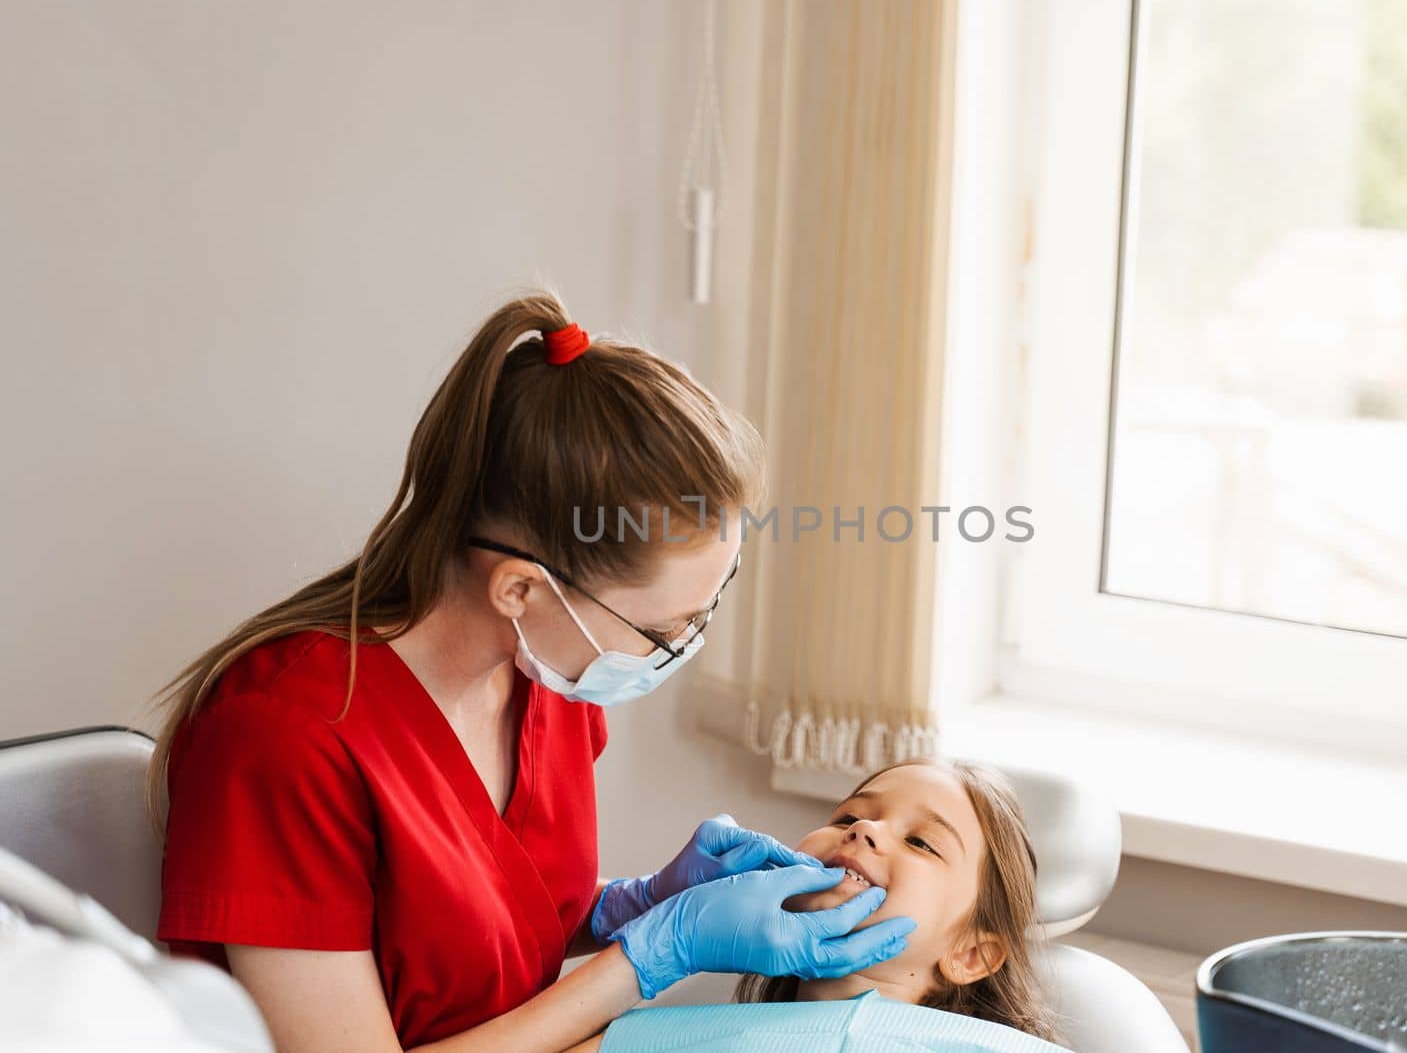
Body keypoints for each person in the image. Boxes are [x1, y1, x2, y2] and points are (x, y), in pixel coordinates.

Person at [148, 291, 915, 1053]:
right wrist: (652, 956)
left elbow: (478, 932)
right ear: (520, 588)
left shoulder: (544, 675)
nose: (681, 644)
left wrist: (640, 902)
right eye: (663, 626)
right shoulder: (283, 737)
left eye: (706, 610)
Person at [571, 758, 1064, 1051]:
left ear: (971, 955)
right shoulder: (656, 1039)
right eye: (849, 815)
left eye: (921, 843)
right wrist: (650, 925)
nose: (864, 829)